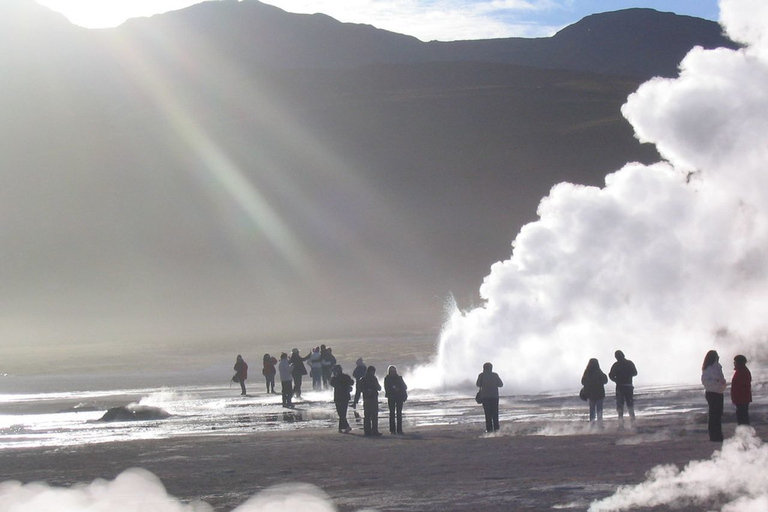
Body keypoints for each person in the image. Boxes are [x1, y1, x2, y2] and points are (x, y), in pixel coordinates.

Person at [701, 350, 727, 442]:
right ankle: (714, 436)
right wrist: (717, 382)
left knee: (718, 415)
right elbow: (705, 381)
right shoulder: (708, 368)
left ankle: (718, 435)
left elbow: (720, 378)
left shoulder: (718, 367)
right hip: (712, 393)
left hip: (719, 392)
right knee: (714, 415)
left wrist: (722, 383)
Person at [608, 350, 638, 429]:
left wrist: (616, 380)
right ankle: (633, 423)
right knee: (630, 405)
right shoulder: (629, 363)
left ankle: (621, 424)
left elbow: (610, 375)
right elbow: (635, 373)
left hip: (620, 386)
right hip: (628, 386)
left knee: (620, 406)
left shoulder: (616, 365)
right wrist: (628, 375)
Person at [476, 362, 503, 433]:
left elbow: (478, 384)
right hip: (494, 397)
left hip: (485, 397)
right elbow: (500, 384)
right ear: (491, 368)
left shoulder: (481, 375)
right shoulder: (495, 375)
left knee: (487, 414)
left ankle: (489, 429)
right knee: (495, 414)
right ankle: (496, 429)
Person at [581, 358, 608, 426]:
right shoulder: (599, 372)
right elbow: (605, 380)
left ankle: (592, 424)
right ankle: (600, 424)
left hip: (591, 394)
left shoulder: (587, 372)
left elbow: (583, 382)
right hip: (599, 394)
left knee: (592, 410)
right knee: (599, 410)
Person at [329, 365, 354, 433]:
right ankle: (341, 427)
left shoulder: (336, 378)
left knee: (341, 413)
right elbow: (352, 382)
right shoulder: (345, 377)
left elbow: (332, 383)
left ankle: (346, 427)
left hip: (339, 397)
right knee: (342, 413)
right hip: (344, 397)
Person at [384, 365, 408, 434]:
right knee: (392, 414)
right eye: (391, 371)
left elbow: (405, 387)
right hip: (391, 397)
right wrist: (393, 389)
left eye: (393, 371)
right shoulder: (387, 379)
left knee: (399, 414)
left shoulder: (399, 378)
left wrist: (398, 389)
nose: (392, 372)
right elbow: (386, 388)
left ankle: (399, 429)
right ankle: (392, 430)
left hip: (399, 397)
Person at [358, 365, 382, 436]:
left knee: (367, 416)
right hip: (372, 398)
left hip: (367, 398)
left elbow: (360, 389)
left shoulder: (363, 379)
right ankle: (374, 431)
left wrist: (367, 390)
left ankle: (367, 431)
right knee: (373, 416)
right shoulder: (372, 378)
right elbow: (378, 388)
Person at [731, 354, 752, 426]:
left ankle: (745, 434)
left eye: (735, 362)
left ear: (739, 362)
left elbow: (740, 387)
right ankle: (744, 433)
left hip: (742, 399)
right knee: (743, 417)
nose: (734, 364)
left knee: (742, 418)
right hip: (741, 399)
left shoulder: (742, 371)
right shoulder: (741, 371)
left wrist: (736, 397)